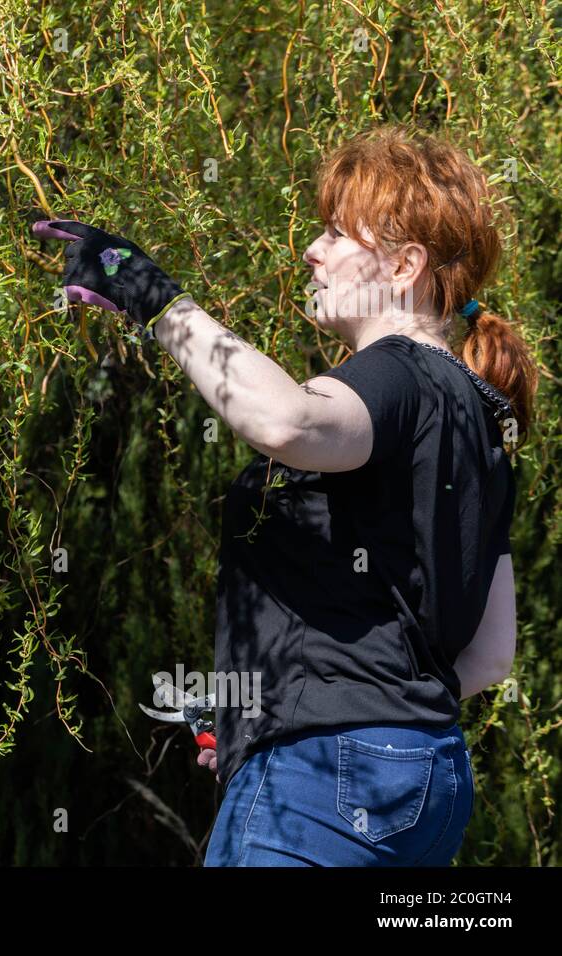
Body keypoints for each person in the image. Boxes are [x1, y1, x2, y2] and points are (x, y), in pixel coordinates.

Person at [32, 122, 538, 866]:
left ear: (404, 265)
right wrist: (296, 710)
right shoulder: (486, 421)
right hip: (425, 781)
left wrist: (150, 293)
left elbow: (283, 419)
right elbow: (491, 656)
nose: (312, 250)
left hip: (324, 781)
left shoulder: (397, 373)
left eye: (336, 233)